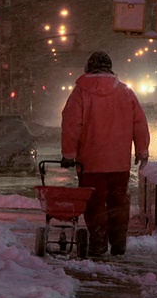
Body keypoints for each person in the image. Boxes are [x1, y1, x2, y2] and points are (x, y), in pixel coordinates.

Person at [61, 51, 150, 257]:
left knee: (94, 204)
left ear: (88, 68)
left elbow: (72, 124)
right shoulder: (126, 93)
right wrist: (142, 150)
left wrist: (69, 153)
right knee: (118, 202)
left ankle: (98, 243)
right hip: (119, 163)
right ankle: (118, 243)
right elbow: (139, 123)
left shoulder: (80, 92)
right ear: (110, 68)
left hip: (90, 162)